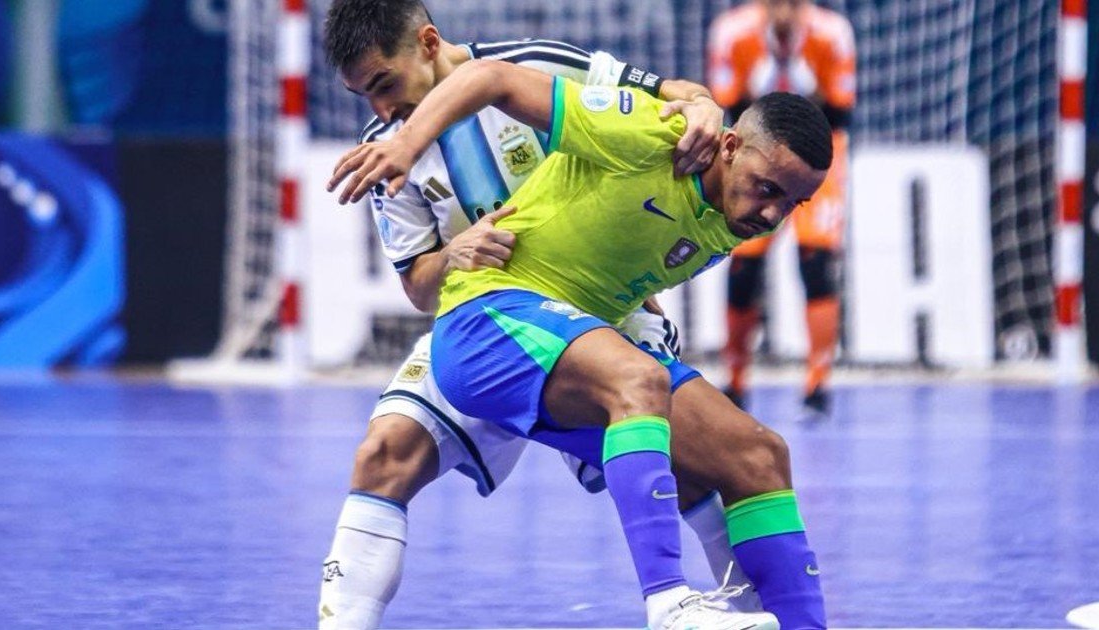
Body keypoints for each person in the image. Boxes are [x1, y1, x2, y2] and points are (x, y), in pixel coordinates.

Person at [328, 54, 833, 629]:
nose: (773, 213)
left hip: (579, 338)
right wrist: (405, 144)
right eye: (767, 189)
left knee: (758, 455)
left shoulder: (739, 209)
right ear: (729, 148)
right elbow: (490, 76)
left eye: (793, 203)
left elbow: (679, 109)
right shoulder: (648, 134)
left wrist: (700, 98)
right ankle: (670, 605)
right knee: (633, 383)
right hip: (487, 319)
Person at [707, 0, 856, 415]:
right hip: (758, 156)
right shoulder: (731, 32)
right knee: (743, 267)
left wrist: (810, 92)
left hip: (816, 160)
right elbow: (728, 109)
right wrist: (764, 87)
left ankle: (818, 383)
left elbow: (842, 112)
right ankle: (736, 379)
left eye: (793, 5)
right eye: (776, 5)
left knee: (816, 263)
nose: (785, 14)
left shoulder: (833, 33)